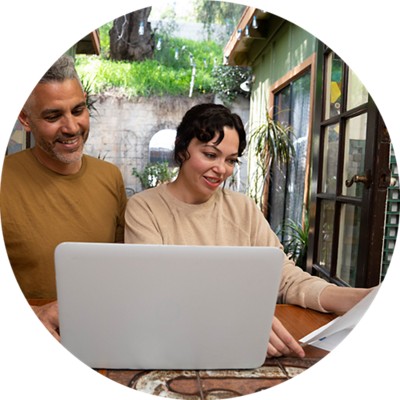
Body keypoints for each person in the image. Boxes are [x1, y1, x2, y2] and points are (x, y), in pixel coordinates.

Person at [124, 103, 373, 358]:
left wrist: (360, 299)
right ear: (181, 147)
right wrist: (239, 322)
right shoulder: (144, 208)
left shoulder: (242, 208)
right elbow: (156, 293)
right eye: (210, 155)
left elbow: (284, 276)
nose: (222, 169)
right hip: (175, 343)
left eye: (231, 160)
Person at [0, 54, 127, 340]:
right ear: (24, 118)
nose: (71, 127)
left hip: (101, 335)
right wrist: (32, 315)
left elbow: (123, 269)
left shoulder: (110, 177)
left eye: (78, 110)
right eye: (53, 116)